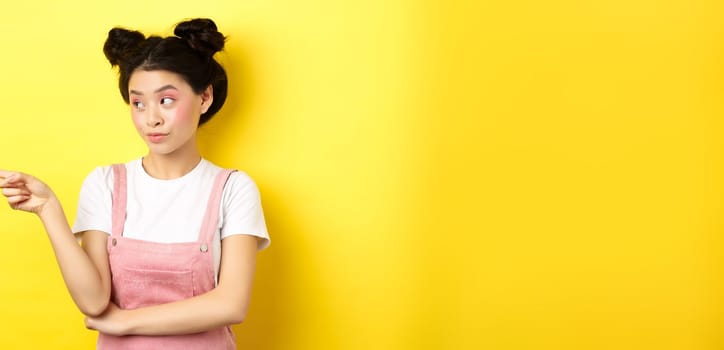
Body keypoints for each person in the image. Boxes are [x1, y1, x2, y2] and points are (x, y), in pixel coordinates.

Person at [0, 18, 270, 349]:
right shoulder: (105, 184)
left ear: (204, 98)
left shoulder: (233, 189)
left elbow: (231, 304)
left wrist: (125, 322)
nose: (151, 118)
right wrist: (48, 208)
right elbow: (94, 301)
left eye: (166, 100)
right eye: (138, 102)